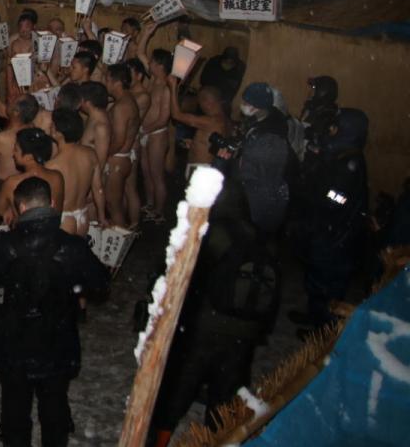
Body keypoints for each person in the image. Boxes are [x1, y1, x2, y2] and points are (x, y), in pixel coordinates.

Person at [150, 176, 280, 446]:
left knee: (179, 389)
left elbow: (183, 276)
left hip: (206, 325)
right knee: (224, 395)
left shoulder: (210, 232)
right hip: (244, 331)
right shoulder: (256, 236)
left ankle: (159, 441)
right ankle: (217, 440)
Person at [0, 177, 110, 447]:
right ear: (52, 204)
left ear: (20, 208)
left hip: (14, 342)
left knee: (15, 411)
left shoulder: (5, 245)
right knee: (54, 408)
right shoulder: (72, 246)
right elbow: (100, 283)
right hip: (57, 341)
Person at [289, 108, 368, 334]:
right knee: (316, 277)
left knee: (329, 284)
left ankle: (323, 331)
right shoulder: (340, 155)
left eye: (335, 127)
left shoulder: (349, 163)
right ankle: (314, 315)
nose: (331, 131)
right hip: (326, 228)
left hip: (337, 235)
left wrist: (318, 193)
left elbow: (338, 199)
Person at [232, 82, 293, 236]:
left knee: (255, 236)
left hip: (263, 197)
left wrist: (238, 154)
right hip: (253, 189)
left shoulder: (271, 137)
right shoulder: (260, 119)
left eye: (247, 102)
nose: (242, 105)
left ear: (258, 106)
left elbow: (265, 174)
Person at [48, 109, 102, 235]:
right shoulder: (90, 154)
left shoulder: (52, 165)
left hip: (63, 221)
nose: (50, 127)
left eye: (53, 125)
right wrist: (102, 216)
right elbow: (98, 189)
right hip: (83, 216)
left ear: (59, 133)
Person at [0, 128, 65, 222]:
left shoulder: (12, 183)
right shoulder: (57, 177)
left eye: (16, 149)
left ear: (28, 157)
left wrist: (11, 210)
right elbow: (58, 211)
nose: (13, 153)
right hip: (52, 231)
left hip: (24, 234)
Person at [103, 64, 142, 229]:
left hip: (117, 159)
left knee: (114, 206)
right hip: (123, 158)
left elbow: (119, 140)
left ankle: (122, 242)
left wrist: (103, 156)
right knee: (118, 202)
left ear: (115, 81)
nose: (105, 82)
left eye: (106, 79)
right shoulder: (127, 99)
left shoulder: (121, 107)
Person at [139, 48, 174, 224]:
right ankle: (150, 205)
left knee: (156, 174)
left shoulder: (167, 88)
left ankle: (160, 212)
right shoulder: (153, 81)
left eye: (152, 61)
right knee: (146, 172)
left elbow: (163, 118)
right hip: (146, 132)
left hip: (157, 135)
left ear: (160, 65)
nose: (149, 64)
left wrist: (145, 130)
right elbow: (141, 54)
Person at [168, 79, 232, 166]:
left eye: (200, 102)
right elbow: (212, 147)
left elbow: (176, 115)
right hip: (206, 169)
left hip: (200, 170)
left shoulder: (211, 121)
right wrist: (195, 143)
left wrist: (173, 87)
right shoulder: (226, 121)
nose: (199, 106)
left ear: (208, 103)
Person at [0, 95, 40, 181]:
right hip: (26, 184)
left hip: (3, 185)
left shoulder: (2, 138)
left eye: (13, 99)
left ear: (16, 112)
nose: (9, 99)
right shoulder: (33, 129)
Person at [78, 81, 111, 180]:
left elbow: (100, 163)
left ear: (87, 103)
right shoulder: (93, 117)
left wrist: (93, 189)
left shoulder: (101, 126)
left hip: (93, 178)